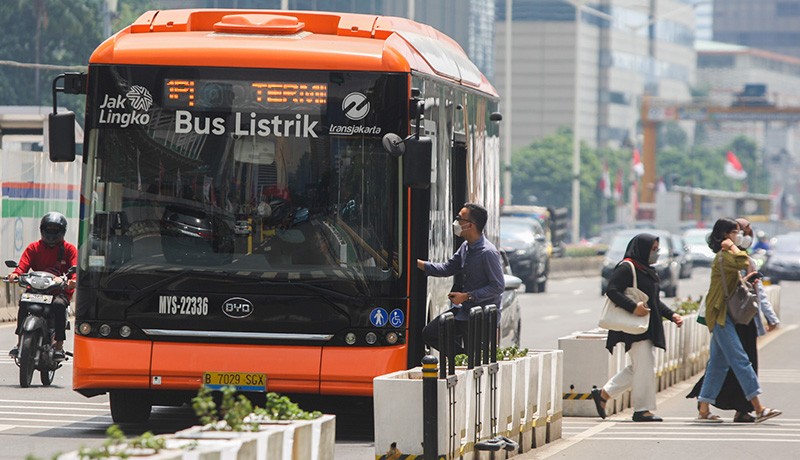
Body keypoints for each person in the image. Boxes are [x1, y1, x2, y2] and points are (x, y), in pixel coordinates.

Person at [687, 218, 780, 422]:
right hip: (720, 315)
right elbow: (743, 261)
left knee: (718, 364)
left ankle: (704, 409)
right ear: (725, 235)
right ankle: (759, 408)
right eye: (736, 232)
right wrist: (732, 247)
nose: (740, 236)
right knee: (740, 359)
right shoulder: (725, 255)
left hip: (724, 314)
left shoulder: (726, 255)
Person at [590, 233, 684, 422]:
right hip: (634, 327)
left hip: (646, 326)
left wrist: (671, 315)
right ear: (642, 249)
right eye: (653, 249)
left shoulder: (647, 270)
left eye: (657, 249)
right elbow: (612, 290)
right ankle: (642, 409)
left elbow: (654, 301)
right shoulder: (627, 267)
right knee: (644, 367)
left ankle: (604, 394)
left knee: (638, 367)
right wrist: (633, 307)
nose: (656, 253)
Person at [417, 203, 504, 353]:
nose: (455, 222)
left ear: (470, 225)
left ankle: (464, 359)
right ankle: (461, 357)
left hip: (480, 316)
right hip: (463, 312)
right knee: (430, 333)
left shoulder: (488, 253)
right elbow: (447, 268)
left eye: (459, 218)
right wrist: (418, 264)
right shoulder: (465, 247)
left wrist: (466, 296)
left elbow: (497, 286)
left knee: (475, 360)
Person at [7, 212, 77, 361]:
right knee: (24, 303)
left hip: (59, 291)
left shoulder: (69, 249)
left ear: (62, 231)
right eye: (48, 229)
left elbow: (75, 269)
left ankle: (59, 346)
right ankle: (20, 343)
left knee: (59, 306)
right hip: (36, 289)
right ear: (42, 230)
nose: (51, 233)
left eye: (55, 230)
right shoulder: (33, 248)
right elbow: (22, 267)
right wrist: (15, 275)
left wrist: (72, 280)